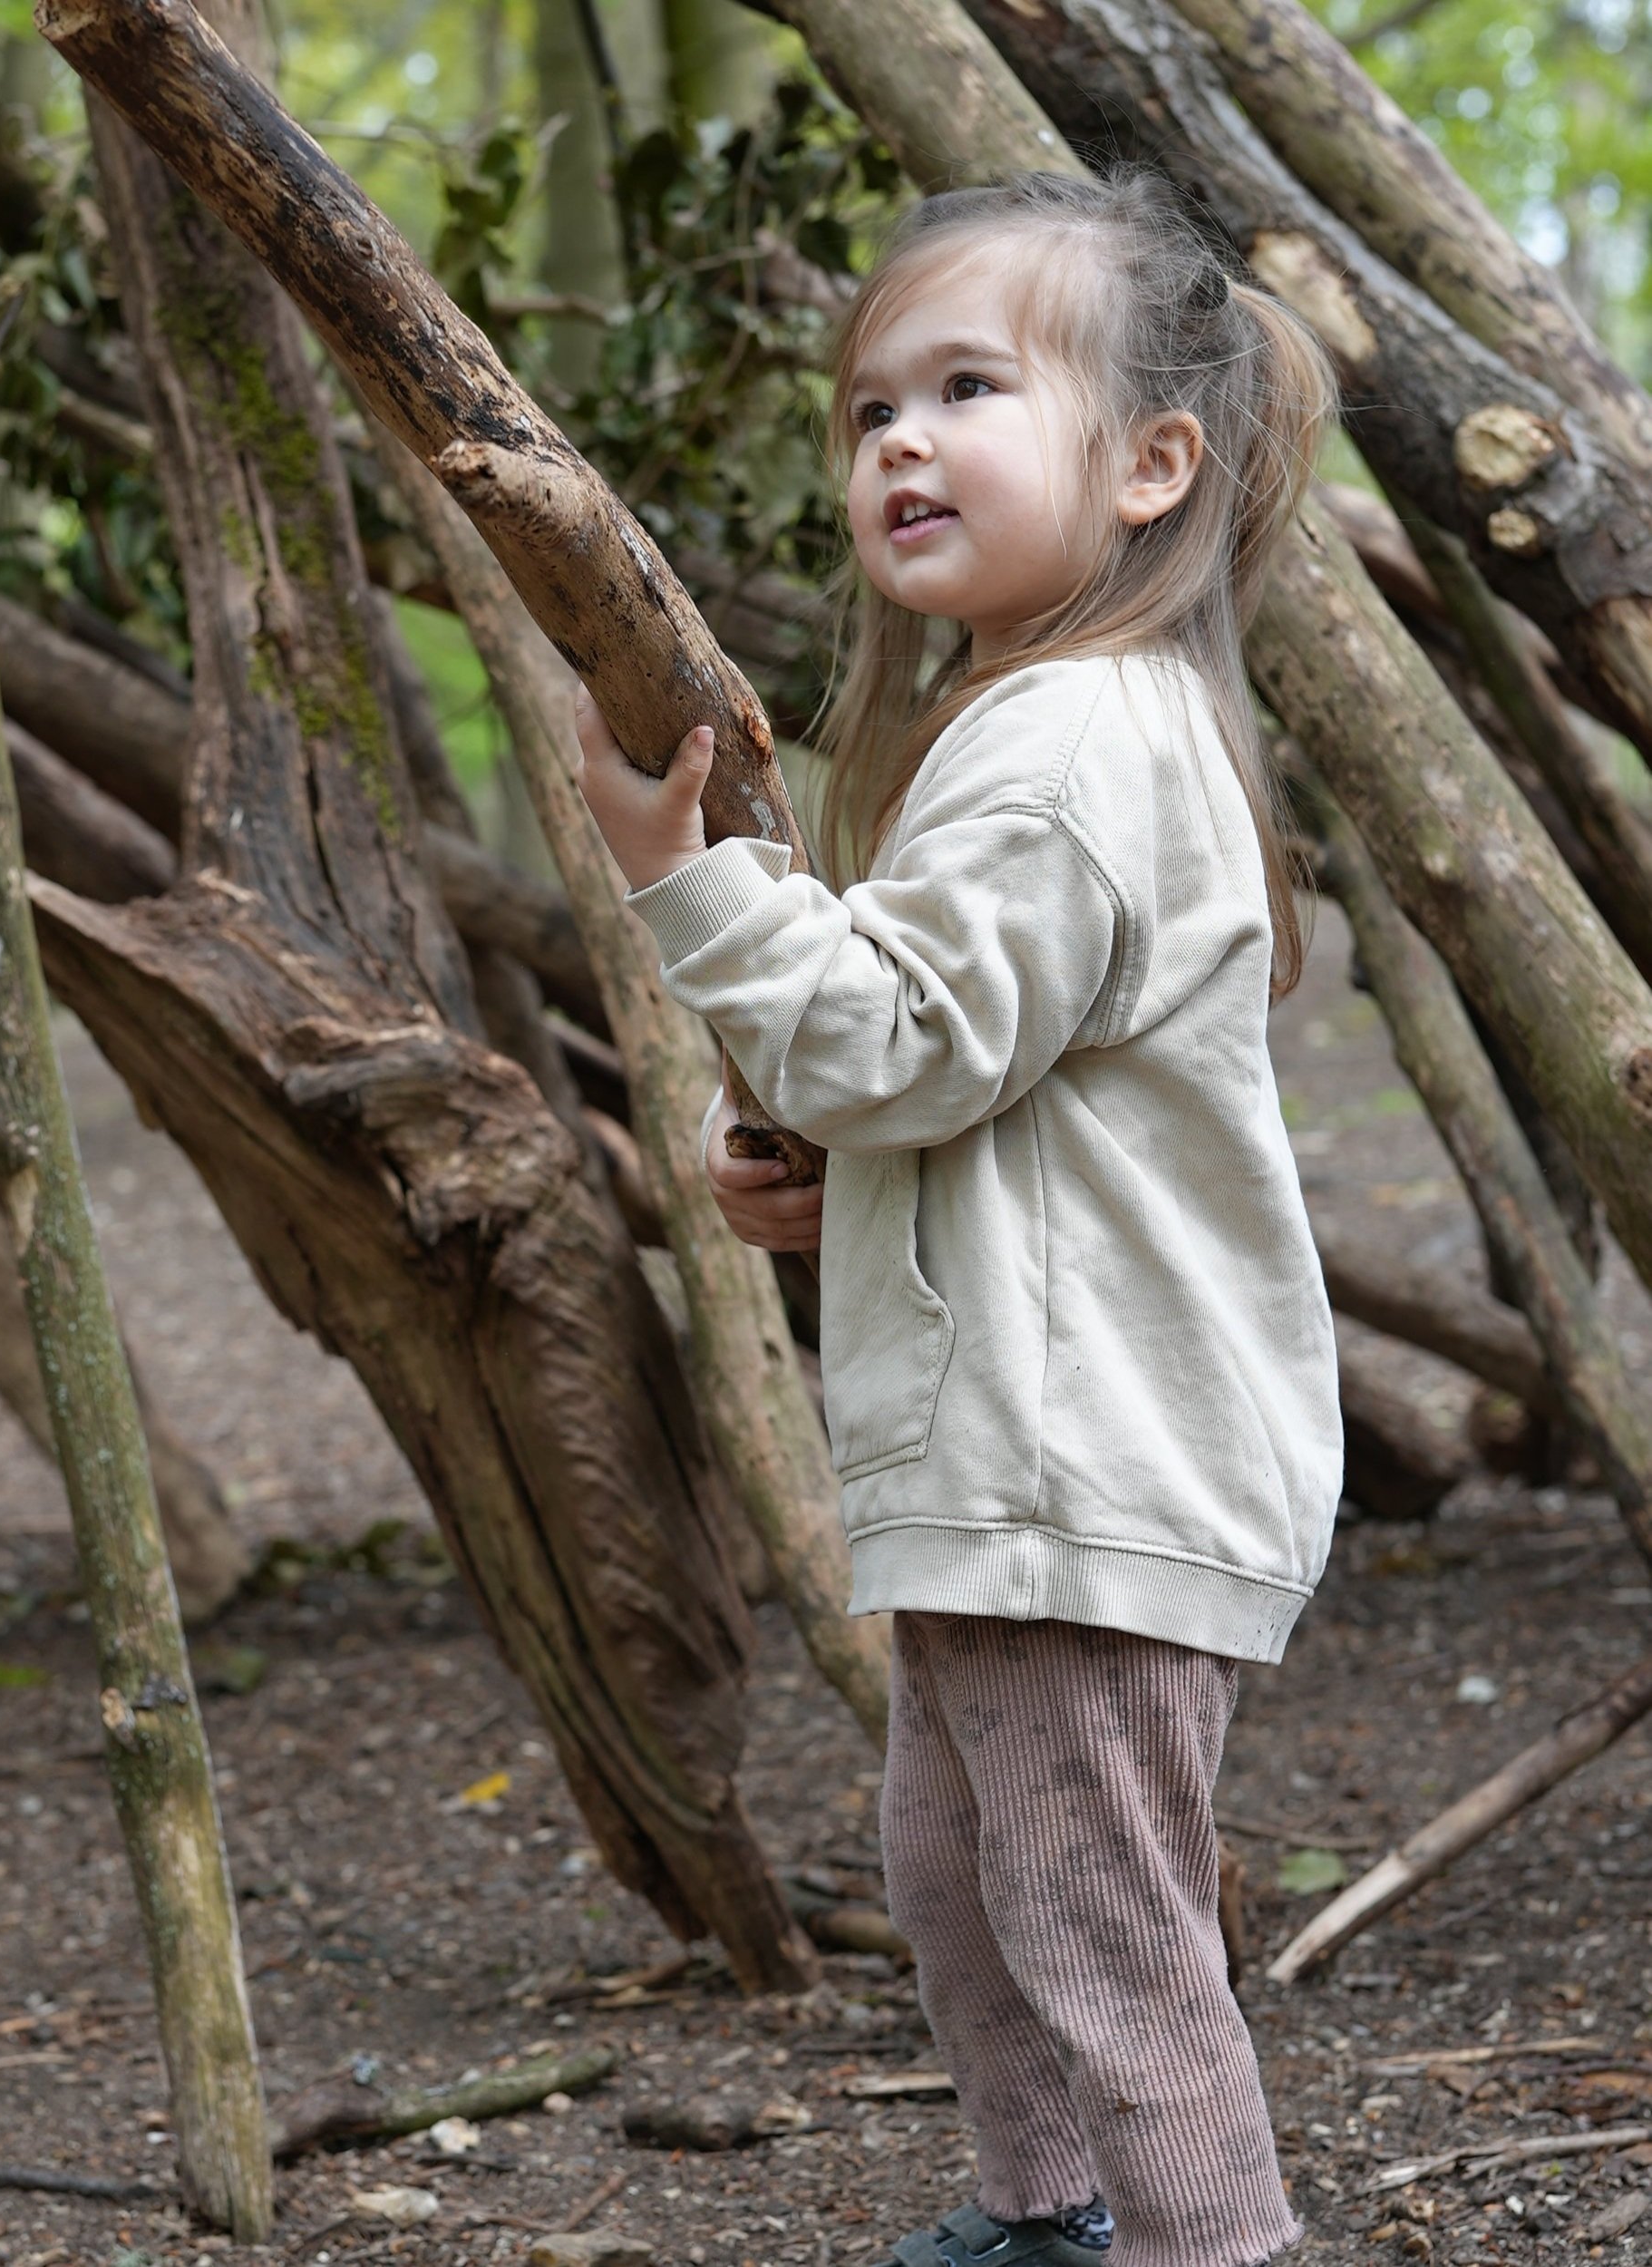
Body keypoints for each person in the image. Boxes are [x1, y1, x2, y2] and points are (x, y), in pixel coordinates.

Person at [572, 169, 1345, 2267]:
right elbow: (988, 1084)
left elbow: (901, 1038)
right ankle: (1042, 2209)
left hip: (1078, 1459)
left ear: (1146, 463)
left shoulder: (1066, 737)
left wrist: (686, 882)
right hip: (1036, 1444)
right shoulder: (1047, 721)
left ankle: (1208, 2240)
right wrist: (837, 1183)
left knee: (1095, 1920)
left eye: (965, 387)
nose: (894, 440)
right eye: (866, 408)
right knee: (956, 1868)